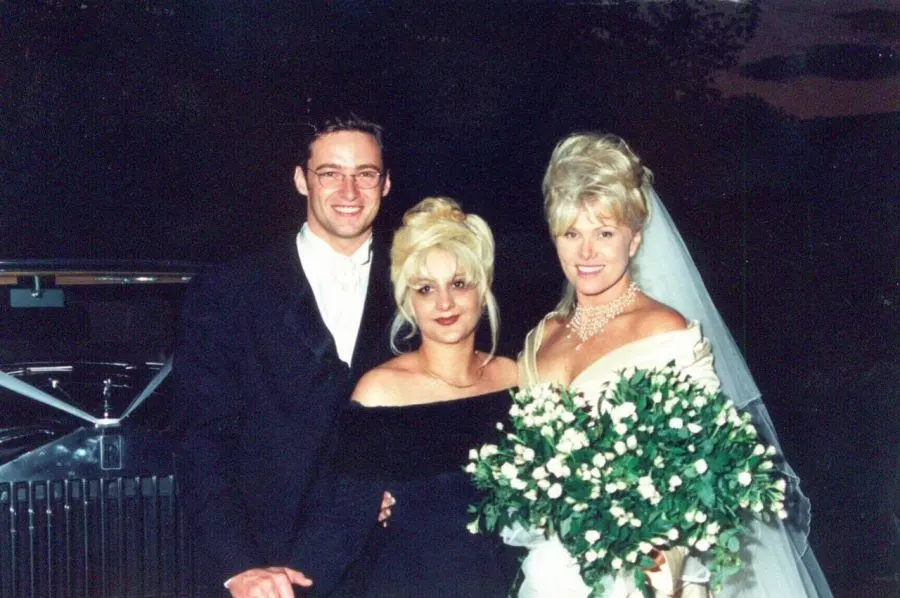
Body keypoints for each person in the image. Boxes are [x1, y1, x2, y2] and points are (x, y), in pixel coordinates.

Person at [514, 132, 833, 597]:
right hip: (552, 574)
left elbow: (706, 471)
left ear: (635, 239)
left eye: (605, 233)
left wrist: (668, 563)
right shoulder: (541, 337)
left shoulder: (666, 332)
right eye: (572, 233)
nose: (586, 253)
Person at [171, 112, 397, 597]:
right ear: (301, 180)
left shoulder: (422, 286)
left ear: (386, 183)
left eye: (365, 174)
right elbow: (200, 442)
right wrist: (239, 567)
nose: (349, 191)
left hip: (389, 568)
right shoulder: (229, 289)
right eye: (330, 173)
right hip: (269, 573)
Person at [290, 196, 524, 597]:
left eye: (459, 284)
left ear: (482, 288)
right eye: (426, 289)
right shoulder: (381, 391)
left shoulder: (515, 378)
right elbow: (340, 526)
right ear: (408, 300)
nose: (444, 303)